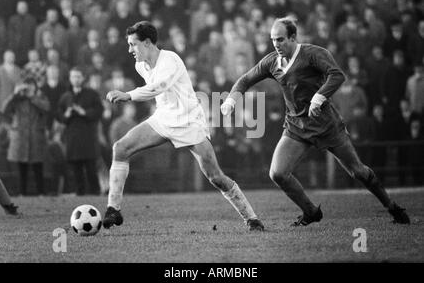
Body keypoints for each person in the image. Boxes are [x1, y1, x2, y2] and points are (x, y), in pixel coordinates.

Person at [221, 17, 410, 226]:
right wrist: (231, 100)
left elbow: (337, 75)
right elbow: (245, 79)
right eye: (273, 40)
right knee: (278, 173)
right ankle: (311, 212)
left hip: (326, 124)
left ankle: (392, 206)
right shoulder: (272, 61)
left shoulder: (313, 54)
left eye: (281, 39)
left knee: (358, 171)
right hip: (296, 126)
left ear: (293, 37)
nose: (276, 44)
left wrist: (318, 97)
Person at [103, 21, 264, 231]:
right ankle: (113, 210)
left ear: (148, 43)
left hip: (189, 122)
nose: (130, 50)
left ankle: (251, 218)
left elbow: (157, 87)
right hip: (163, 119)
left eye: (133, 44)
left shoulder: (170, 59)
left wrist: (128, 95)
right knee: (120, 148)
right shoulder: (140, 65)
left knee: (216, 177)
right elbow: (157, 91)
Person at [57, 68, 103, 195]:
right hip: (72, 137)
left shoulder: (92, 94)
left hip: (88, 135)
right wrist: (66, 115)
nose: (76, 79)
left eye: (78, 76)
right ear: (70, 79)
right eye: (73, 77)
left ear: (83, 78)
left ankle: (95, 191)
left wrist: (84, 112)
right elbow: (59, 115)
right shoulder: (66, 96)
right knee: (76, 167)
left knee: (90, 167)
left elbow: (99, 111)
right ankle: (80, 192)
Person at [1, 76, 50, 196]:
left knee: (38, 166)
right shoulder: (17, 99)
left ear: (35, 87)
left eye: (31, 85)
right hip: (20, 137)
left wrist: (32, 97)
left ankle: (41, 193)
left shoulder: (40, 98)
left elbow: (47, 107)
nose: (28, 88)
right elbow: (4, 109)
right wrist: (14, 94)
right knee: (21, 167)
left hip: (35, 136)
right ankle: (22, 193)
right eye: (26, 85)